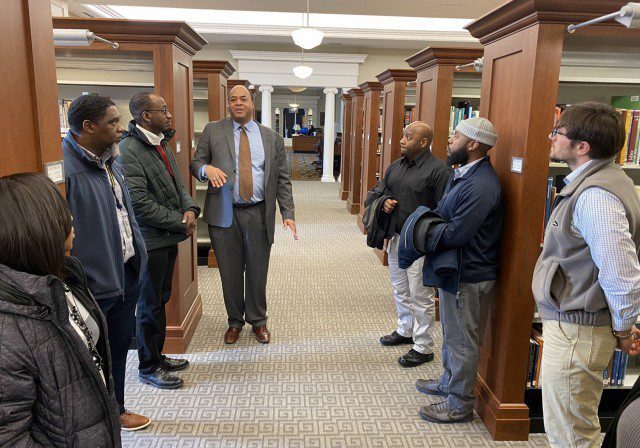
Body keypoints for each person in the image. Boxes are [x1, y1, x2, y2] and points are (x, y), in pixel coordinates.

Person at [531, 102, 640, 447]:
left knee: (572, 432)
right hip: (577, 324)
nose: (551, 138)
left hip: (578, 330)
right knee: (572, 421)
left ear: (582, 147)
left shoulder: (596, 196)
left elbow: (620, 272)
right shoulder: (605, 181)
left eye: (557, 133)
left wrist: (624, 327)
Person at [0, 172, 122, 447]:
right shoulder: (7, 330)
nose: (71, 220)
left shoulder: (66, 274)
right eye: (62, 213)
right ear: (36, 228)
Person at [63, 94, 150, 431]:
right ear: (88, 126)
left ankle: (117, 410)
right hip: (92, 284)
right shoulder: (66, 170)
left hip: (126, 274)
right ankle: (96, 421)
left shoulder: (111, 160)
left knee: (116, 352)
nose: (120, 128)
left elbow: (125, 215)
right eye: (113, 122)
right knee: (90, 358)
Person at [190, 85, 296, 344]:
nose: (238, 103)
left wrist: (288, 212)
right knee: (230, 271)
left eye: (243, 99)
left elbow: (282, 178)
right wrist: (206, 169)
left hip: (259, 212)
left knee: (258, 270)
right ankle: (235, 321)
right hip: (224, 214)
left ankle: (258, 321)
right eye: (233, 99)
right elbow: (195, 163)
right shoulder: (213, 130)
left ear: (252, 103)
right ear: (229, 103)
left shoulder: (271, 138)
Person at [414, 117, 503, 423]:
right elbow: (444, 216)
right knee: (452, 334)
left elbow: (456, 233)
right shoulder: (463, 174)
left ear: (473, 144)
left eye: (456, 136)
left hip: (468, 272)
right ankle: (448, 382)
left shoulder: (481, 184)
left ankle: (459, 403)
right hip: (456, 268)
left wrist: (422, 233)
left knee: (463, 340)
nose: (449, 140)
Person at [119, 92, 201, 390]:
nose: (169, 115)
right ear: (145, 116)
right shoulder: (129, 150)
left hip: (167, 238)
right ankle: (148, 366)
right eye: (163, 110)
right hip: (151, 242)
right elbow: (139, 204)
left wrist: (191, 208)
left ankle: (158, 355)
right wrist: (180, 221)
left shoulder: (160, 143)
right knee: (149, 303)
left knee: (161, 299)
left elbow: (178, 186)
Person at [366, 121, 452, 367]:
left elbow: (443, 211)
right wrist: (384, 202)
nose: (402, 141)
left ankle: (424, 346)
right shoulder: (396, 166)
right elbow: (379, 190)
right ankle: (405, 329)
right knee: (399, 288)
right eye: (403, 135)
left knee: (420, 294)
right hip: (395, 238)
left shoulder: (439, 171)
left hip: (419, 243)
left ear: (423, 143)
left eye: (408, 137)